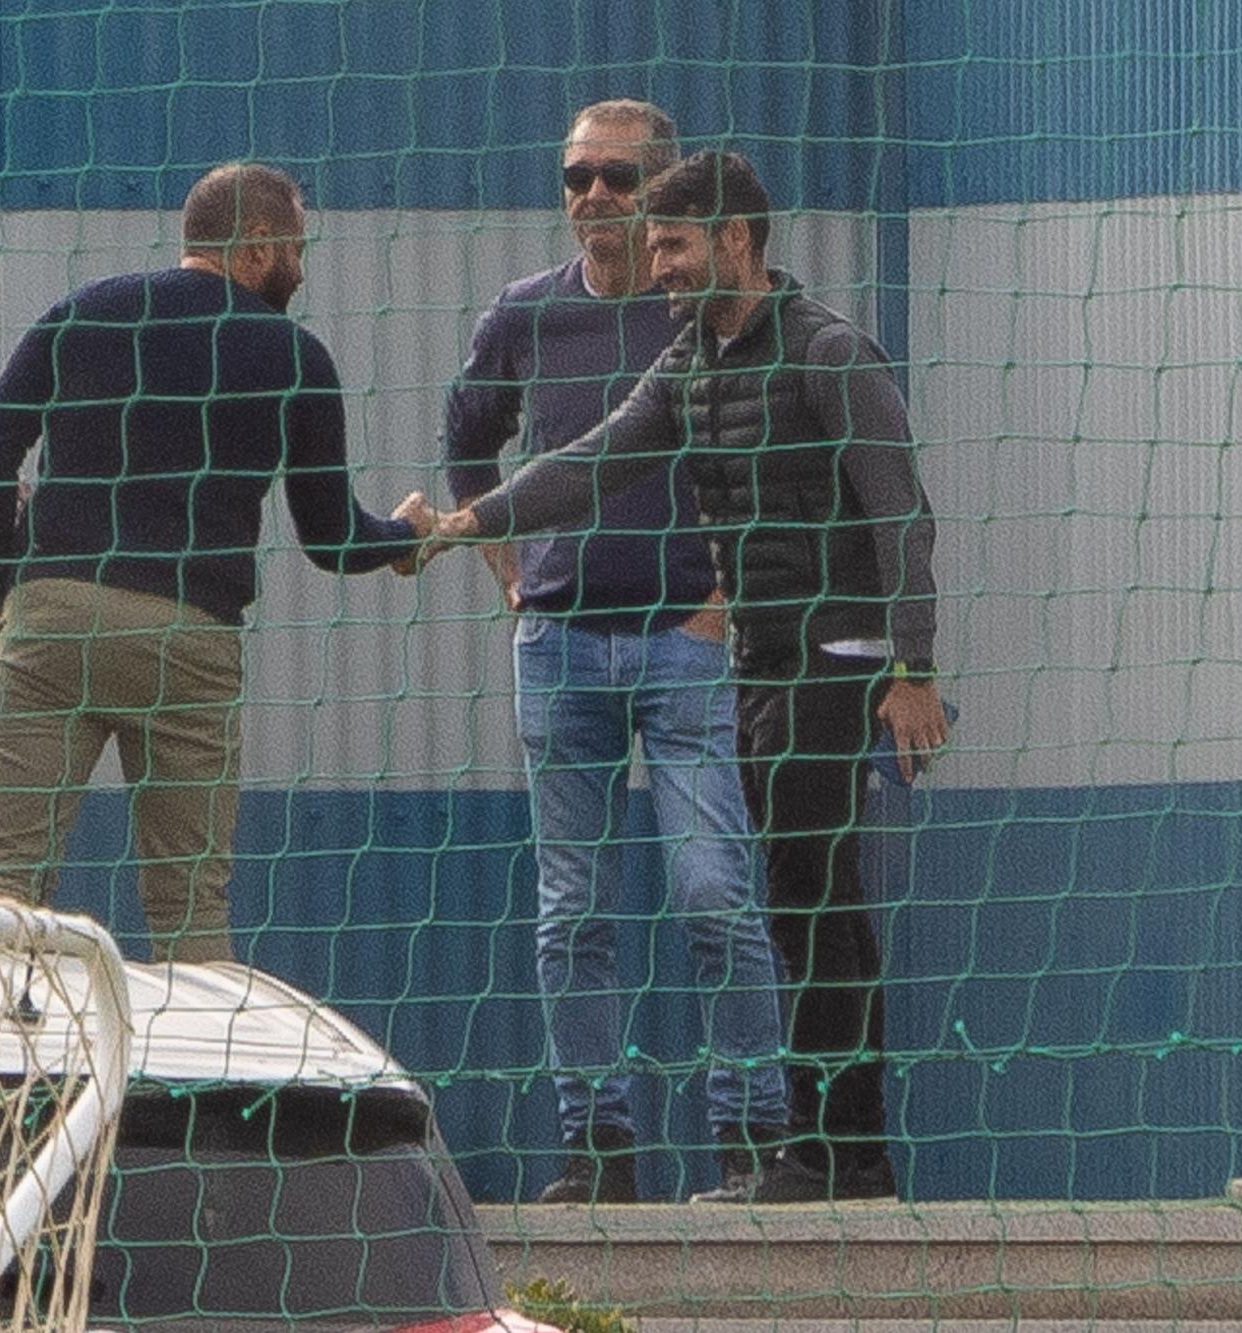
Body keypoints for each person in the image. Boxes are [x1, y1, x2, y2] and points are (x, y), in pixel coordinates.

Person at [422, 151, 950, 1203]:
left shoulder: (828, 352)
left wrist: (911, 667)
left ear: (735, 243)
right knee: (809, 897)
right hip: (756, 656)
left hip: (833, 654)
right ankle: (847, 1154)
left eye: (672, 243)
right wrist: (467, 524)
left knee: (806, 896)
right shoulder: (688, 363)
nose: (654, 262)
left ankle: (822, 1149)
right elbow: (591, 458)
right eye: (654, 243)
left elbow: (901, 514)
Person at [440, 102, 788, 1204]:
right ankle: (597, 1147)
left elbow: (781, 469)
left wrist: (723, 600)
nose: (593, 196)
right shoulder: (524, 315)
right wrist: (502, 561)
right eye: (575, 177)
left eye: (616, 178)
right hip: (558, 646)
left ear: (666, 196)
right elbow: (467, 444)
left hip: (685, 643)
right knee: (572, 907)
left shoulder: (704, 325)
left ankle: (751, 1135)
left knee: (711, 891)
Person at [0, 162, 427, 964]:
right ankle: (202, 1086)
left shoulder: (85, 311)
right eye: (295, 246)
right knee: (188, 902)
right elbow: (330, 539)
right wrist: (406, 536)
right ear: (254, 246)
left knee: (6, 880)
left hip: (54, 619)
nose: (302, 267)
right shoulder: (296, 358)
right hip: (189, 638)